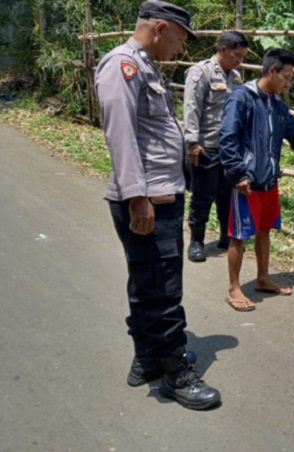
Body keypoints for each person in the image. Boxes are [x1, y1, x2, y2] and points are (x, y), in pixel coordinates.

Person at [95, 0, 221, 410]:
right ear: (161, 27)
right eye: (182, 39)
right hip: (148, 198)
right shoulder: (122, 66)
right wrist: (138, 197)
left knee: (146, 282)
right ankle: (174, 375)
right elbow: (120, 135)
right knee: (164, 289)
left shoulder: (145, 66)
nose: (182, 49)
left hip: (160, 193)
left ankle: (147, 359)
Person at [218, 48, 294, 312]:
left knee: (265, 229)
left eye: (291, 77)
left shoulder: (277, 105)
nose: (288, 82)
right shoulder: (242, 98)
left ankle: (262, 279)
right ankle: (234, 288)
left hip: (269, 179)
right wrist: (238, 173)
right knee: (238, 235)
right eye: (286, 76)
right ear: (271, 71)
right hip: (246, 182)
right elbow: (227, 138)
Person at [183, 31, 249, 262]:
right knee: (202, 195)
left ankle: (226, 236)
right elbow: (191, 108)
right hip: (206, 146)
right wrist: (192, 142)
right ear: (223, 49)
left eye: (242, 57)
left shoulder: (236, 77)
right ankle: (196, 242)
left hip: (229, 148)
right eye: (237, 55)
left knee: (227, 195)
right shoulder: (201, 73)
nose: (239, 60)